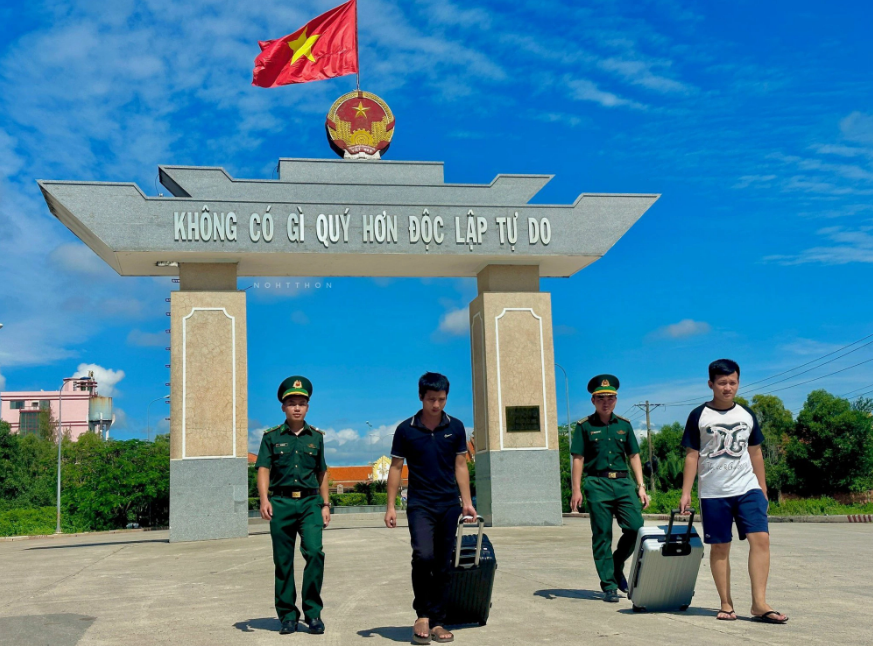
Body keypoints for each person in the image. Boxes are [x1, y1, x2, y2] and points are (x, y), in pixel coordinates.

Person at [680, 359, 788, 624]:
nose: (728, 388)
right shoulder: (699, 415)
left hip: (747, 487)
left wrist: (762, 487)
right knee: (720, 547)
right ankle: (726, 603)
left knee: (761, 539)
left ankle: (760, 604)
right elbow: (692, 456)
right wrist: (686, 493)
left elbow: (756, 452)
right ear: (711, 384)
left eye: (733, 382)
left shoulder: (747, 414)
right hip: (713, 492)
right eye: (722, 383)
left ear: (738, 383)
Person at [384, 372, 477, 644]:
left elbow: (461, 466)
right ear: (421, 397)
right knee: (424, 556)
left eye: (442, 399)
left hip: (449, 504)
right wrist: (390, 506)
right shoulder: (406, 430)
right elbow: (396, 468)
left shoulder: (456, 427)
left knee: (443, 563)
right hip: (420, 504)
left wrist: (467, 503)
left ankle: (437, 621)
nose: (437, 405)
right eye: (432, 400)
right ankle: (422, 614)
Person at [256, 376, 331, 635]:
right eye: (291, 403)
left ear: (307, 407)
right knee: (283, 560)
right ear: (283, 407)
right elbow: (263, 468)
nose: (297, 407)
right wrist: (264, 499)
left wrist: (325, 504)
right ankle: (287, 615)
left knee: (314, 553)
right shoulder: (271, 437)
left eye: (302, 403)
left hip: (310, 502)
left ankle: (313, 613)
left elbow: (322, 473)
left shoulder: (316, 438)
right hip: (281, 503)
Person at [570, 374, 650, 602]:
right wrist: (576, 489)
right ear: (593, 400)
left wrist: (641, 486)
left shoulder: (624, 425)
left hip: (624, 483)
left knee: (636, 529)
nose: (607, 402)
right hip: (597, 484)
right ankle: (609, 584)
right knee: (602, 535)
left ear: (616, 400)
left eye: (611, 398)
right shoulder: (584, 427)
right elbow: (578, 458)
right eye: (601, 397)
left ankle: (616, 564)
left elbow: (634, 455)